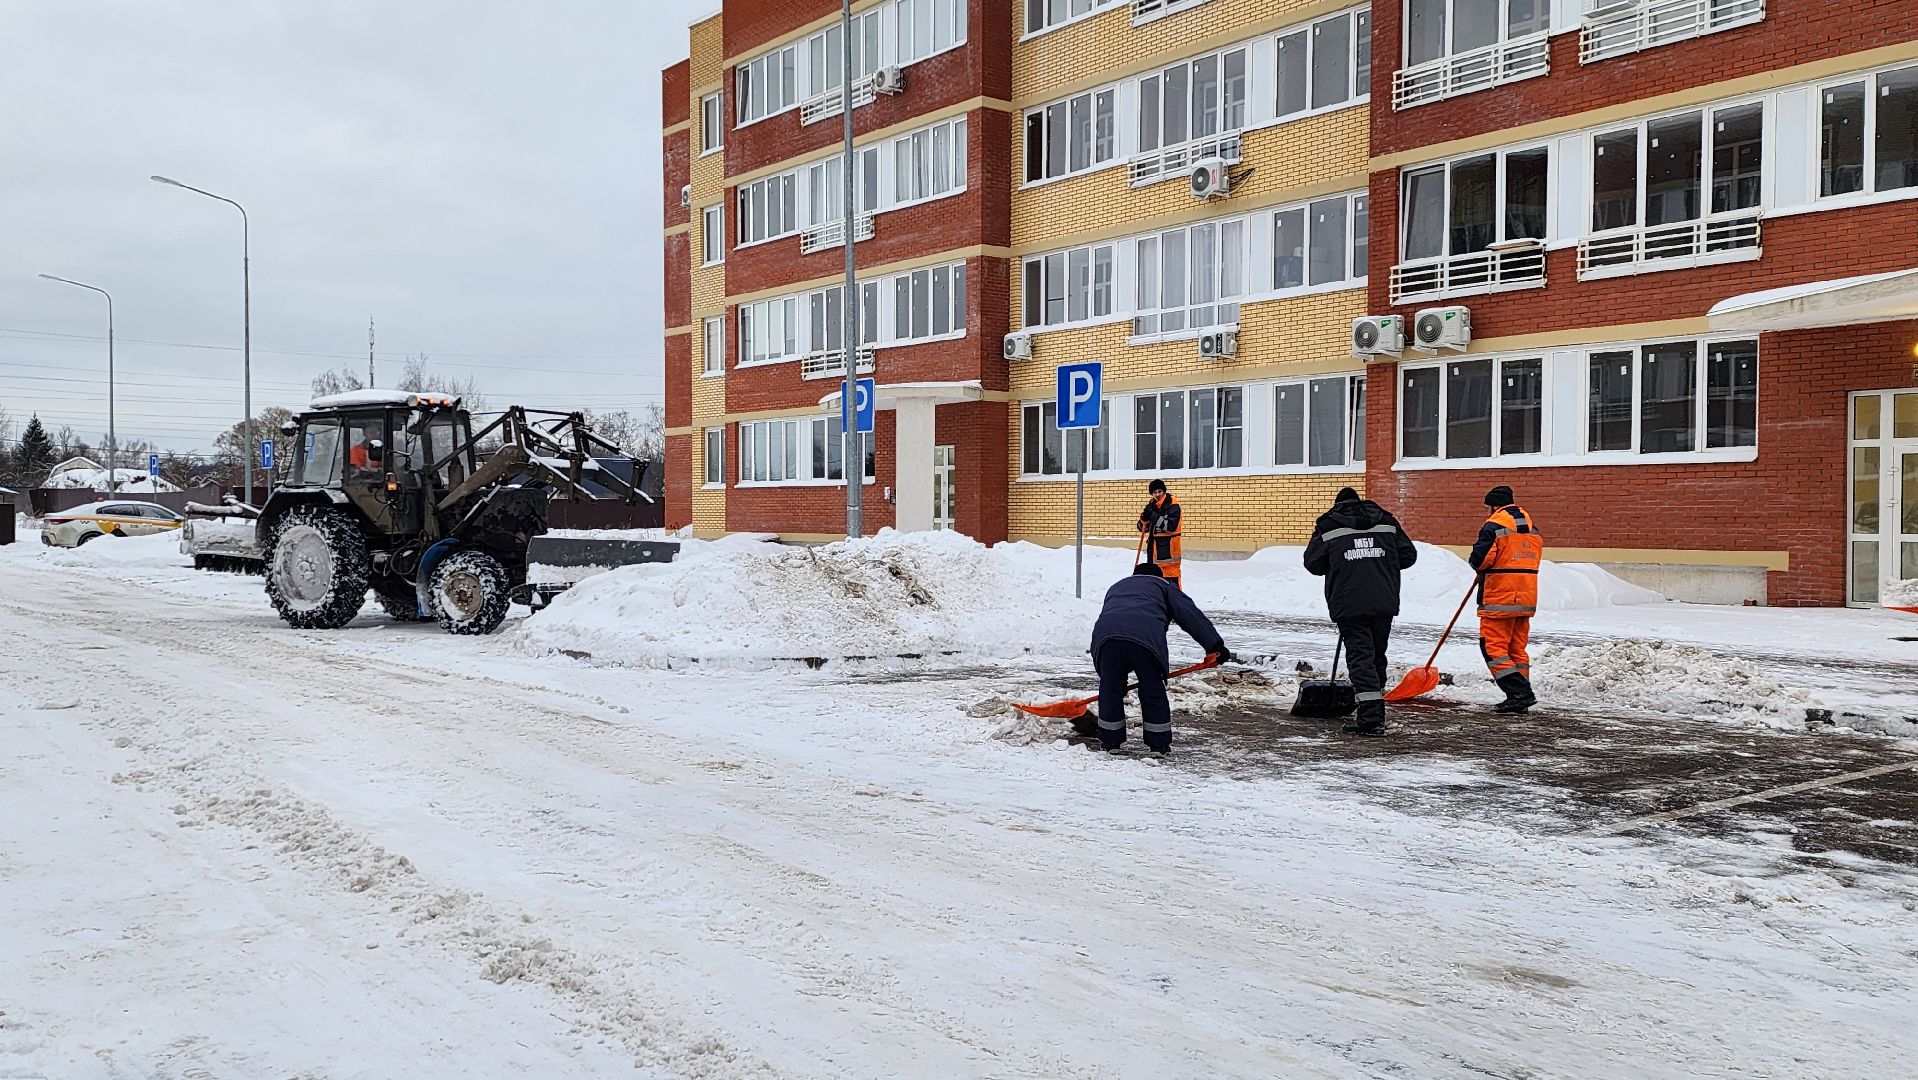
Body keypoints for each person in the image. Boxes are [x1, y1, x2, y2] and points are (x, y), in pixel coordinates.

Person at [1303, 486, 1419, 736]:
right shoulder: (1386, 520)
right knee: (1376, 655)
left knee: (1360, 657)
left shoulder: (1329, 524)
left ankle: (1371, 719)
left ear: (1338, 505)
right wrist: (1379, 561)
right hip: (1383, 600)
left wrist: (1344, 562)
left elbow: (1313, 563)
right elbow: (1408, 556)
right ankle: (1373, 708)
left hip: (1349, 602)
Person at [1087, 562, 1230, 755]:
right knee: (1151, 688)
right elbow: (1189, 615)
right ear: (1159, 576)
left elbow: (1114, 617)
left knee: (1110, 688)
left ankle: (1110, 741)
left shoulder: (1118, 586)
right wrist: (1214, 646)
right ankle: (1158, 745)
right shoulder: (1164, 586)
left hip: (1106, 639)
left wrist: (1114, 677)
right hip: (1145, 640)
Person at [1470, 485, 1542, 714]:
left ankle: (1520, 693)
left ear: (1494, 505)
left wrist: (1480, 567)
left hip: (1499, 596)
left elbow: (1480, 560)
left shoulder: (1494, 526)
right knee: (1516, 650)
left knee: (1493, 648)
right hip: (1526, 596)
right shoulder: (1533, 528)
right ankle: (1520, 696)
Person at [1138, 479, 1184, 590]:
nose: (1157, 494)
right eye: (1154, 492)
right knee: (1156, 588)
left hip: (1168, 557)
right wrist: (1143, 519)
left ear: (1164, 491)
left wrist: (1153, 516)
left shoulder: (1172, 504)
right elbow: (1143, 528)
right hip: (1154, 557)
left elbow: (1171, 527)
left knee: (1172, 589)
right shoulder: (1152, 505)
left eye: (1159, 491)